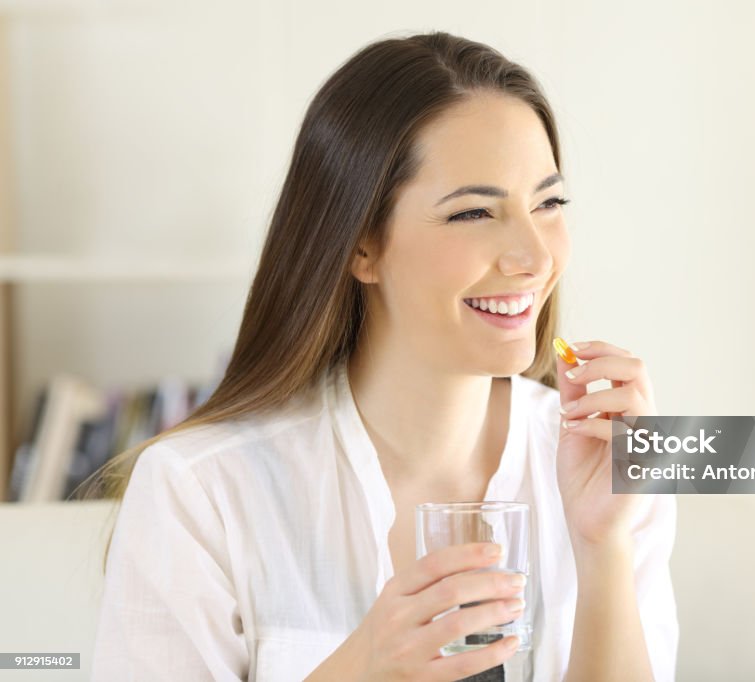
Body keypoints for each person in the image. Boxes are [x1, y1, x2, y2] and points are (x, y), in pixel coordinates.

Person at [88, 30, 678, 681]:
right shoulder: (199, 492)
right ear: (361, 244)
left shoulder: (606, 466)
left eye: (550, 204)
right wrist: (359, 669)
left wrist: (602, 547)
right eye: (474, 213)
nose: (535, 258)